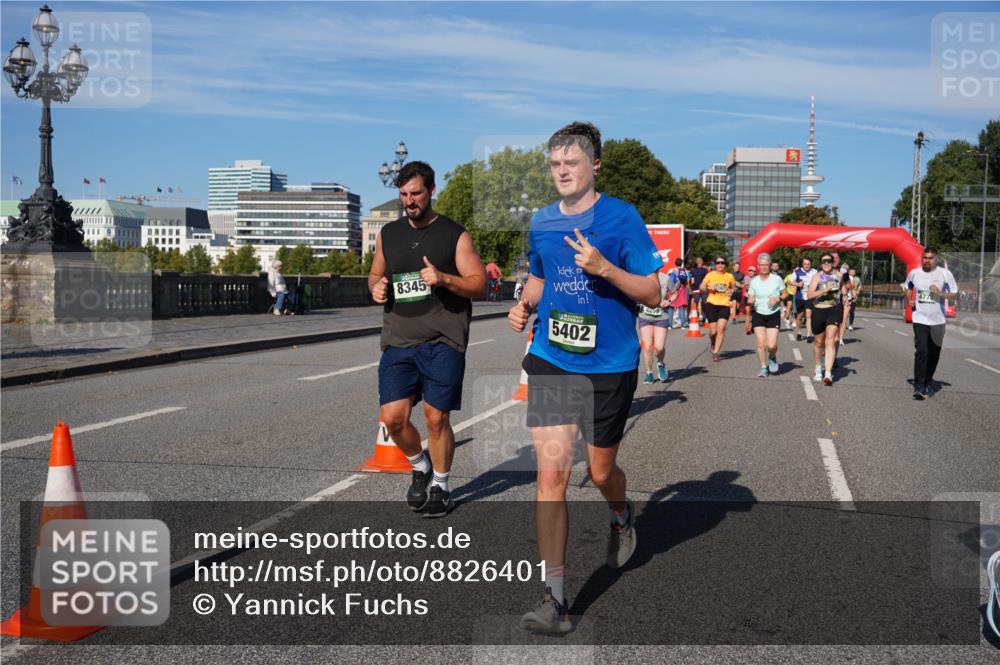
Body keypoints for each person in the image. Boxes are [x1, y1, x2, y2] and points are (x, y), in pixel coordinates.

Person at [508, 122, 661, 635]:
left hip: (609, 365)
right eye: (555, 164)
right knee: (550, 476)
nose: (562, 172)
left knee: (600, 472)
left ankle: (621, 513)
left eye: (571, 163)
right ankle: (554, 599)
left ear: (594, 165)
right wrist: (524, 305)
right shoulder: (542, 221)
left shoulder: (622, 217)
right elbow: (540, 275)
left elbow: (654, 293)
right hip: (552, 357)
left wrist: (605, 269)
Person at [369, 161, 487, 517]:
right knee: (393, 419)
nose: (410, 201)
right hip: (398, 338)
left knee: (436, 419)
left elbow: (478, 284)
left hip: (443, 338)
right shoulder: (388, 234)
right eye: (404, 194)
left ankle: (441, 484)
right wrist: (375, 287)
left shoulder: (454, 235)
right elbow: (375, 273)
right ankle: (420, 466)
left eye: (416, 193)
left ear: (431, 190)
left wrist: (444, 279)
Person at [905, 246, 958, 399]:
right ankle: (919, 385)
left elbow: (955, 294)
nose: (927, 261)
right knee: (922, 350)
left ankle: (928, 380)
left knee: (934, 353)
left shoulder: (945, 274)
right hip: (920, 319)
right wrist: (909, 299)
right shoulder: (914, 273)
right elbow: (908, 287)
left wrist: (940, 293)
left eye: (930, 258)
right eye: (924, 257)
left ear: (936, 259)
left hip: (938, 321)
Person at [806, 254, 843, 386]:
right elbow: (809, 295)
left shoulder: (839, 275)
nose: (826, 264)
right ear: (821, 263)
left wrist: (847, 295)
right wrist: (825, 289)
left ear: (833, 263)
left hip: (834, 309)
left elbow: (845, 287)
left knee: (830, 339)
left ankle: (827, 373)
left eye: (829, 261)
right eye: (824, 261)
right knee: (818, 342)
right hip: (819, 310)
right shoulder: (817, 276)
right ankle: (818, 367)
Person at [746, 253, 785, 377]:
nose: (763, 267)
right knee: (760, 343)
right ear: (758, 266)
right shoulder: (754, 281)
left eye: (766, 265)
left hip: (773, 313)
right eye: (761, 265)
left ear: (770, 265)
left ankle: (772, 356)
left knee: (771, 345)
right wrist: (750, 301)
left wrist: (778, 298)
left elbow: (786, 293)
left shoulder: (776, 279)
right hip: (758, 313)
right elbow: (751, 296)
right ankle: (763, 367)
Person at [638, 269, 678, 383]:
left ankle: (660, 363)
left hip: (661, 317)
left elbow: (675, 293)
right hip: (645, 316)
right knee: (647, 347)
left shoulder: (665, 278)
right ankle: (649, 373)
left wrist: (669, 301)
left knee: (659, 347)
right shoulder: (641, 276)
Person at [699, 256, 736, 362]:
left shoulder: (729, 276)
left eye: (722, 263)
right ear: (715, 265)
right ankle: (712, 342)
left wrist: (731, 291)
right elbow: (701, 287)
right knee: (713, 331)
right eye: (718, 263)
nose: (720, 265)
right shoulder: (710, 275)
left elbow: (733, 287)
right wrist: (708, 288)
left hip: (724, 305)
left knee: (721, 329)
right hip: (711, 304)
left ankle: (716, 352)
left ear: (725, 264)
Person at [792, 257, 817, 341]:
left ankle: (808, 335)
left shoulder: (815, 272)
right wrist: (797, 284)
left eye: (808, 264)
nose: (807, 266)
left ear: (811, 264)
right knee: (799, 317)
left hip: (810, 297)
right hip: (800, 297)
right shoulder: (797, 272)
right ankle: (799, 332)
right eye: (805, 264)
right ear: (802, 264)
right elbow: (790, 281)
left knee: (808, 315)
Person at [666, 257, 688, 328]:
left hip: (672, 290)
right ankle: (683, 325)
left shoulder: (671, 270)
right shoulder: (684, 271)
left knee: (671, 307)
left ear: (675, 263)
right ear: (682, 263)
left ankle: (669, 325)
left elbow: (667, 279)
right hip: (682, 290)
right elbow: (686, 282)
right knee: (681, 308)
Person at [688, 257, 709, 324]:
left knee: (695, 304)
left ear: (696, 263)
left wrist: (690, 289)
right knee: (704, 304)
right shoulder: (705, 270)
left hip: (695, 289)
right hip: (704, 289)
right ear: (702, 262)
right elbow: (708, 280)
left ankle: (695, 318)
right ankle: (705, 319)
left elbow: (690, 281)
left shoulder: (692, 271)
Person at [742, 265, 757, 335]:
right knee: (747, 312)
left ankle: (753, 327)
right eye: (749, 271)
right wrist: (743, 285)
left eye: (752, 271)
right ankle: (747, 329)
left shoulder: (757, 278)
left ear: (755, 272)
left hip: (755, 297)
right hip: (747, 296)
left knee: (754, 313)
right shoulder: (746, 277)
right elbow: (743, 284)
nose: (750, 272)